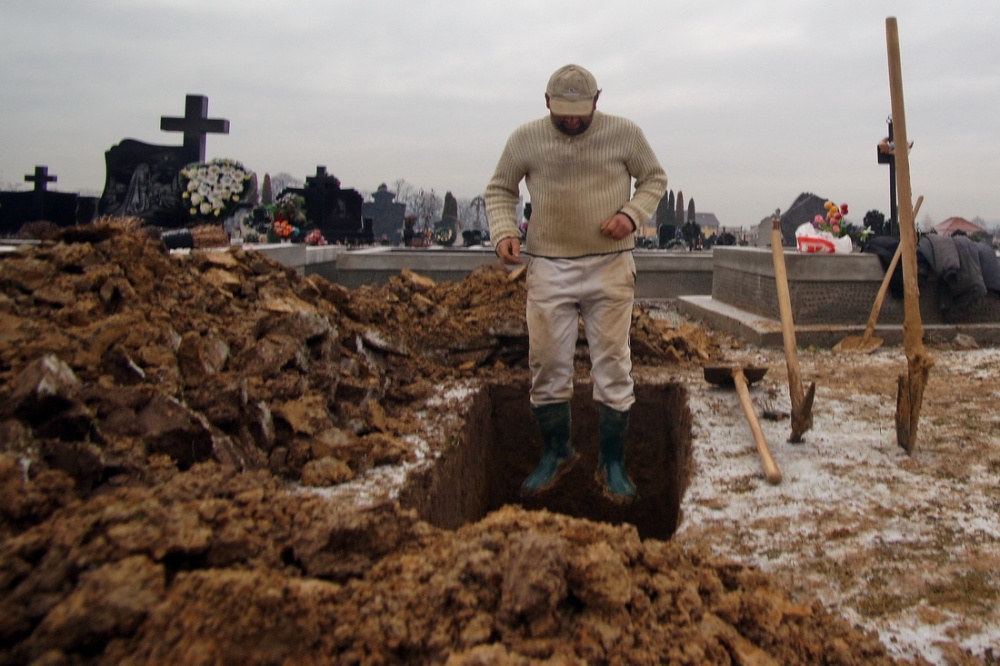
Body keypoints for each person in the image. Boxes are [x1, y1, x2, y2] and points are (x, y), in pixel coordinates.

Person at [484, 64, 667, 503]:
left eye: (579, 113)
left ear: (596, 102)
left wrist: (631, 215)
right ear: (547, 102)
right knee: (547, 363)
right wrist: (504, 230)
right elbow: (500, 189)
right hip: (550, 266)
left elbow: (654, 179)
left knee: (613, 364)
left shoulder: (624, 134)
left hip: (610, 265)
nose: (571, 120)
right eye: (562, 112)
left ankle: (612, 461)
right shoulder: (525, 139)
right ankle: (557, 452)